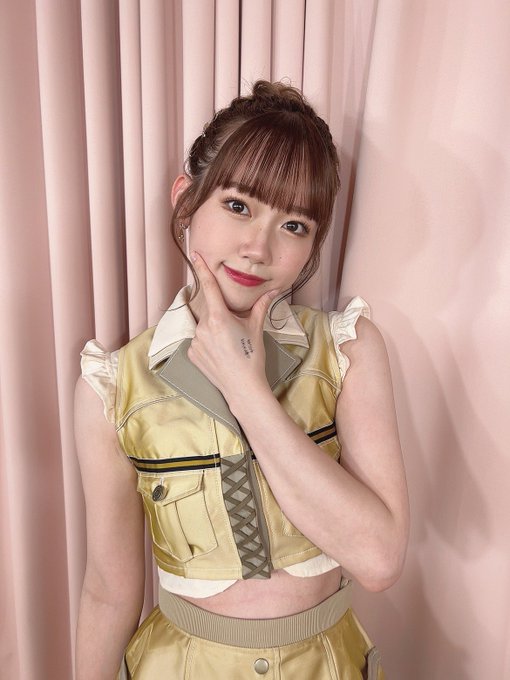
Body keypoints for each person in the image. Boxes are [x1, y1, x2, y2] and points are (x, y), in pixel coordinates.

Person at [75, 80, 409, 680]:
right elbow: (107, 590)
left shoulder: (347, 351)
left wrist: (247, 388)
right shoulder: (114, 386)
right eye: (238, 206)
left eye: (294, 225)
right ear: (186, 200)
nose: (258, 248)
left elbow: (380, 559)